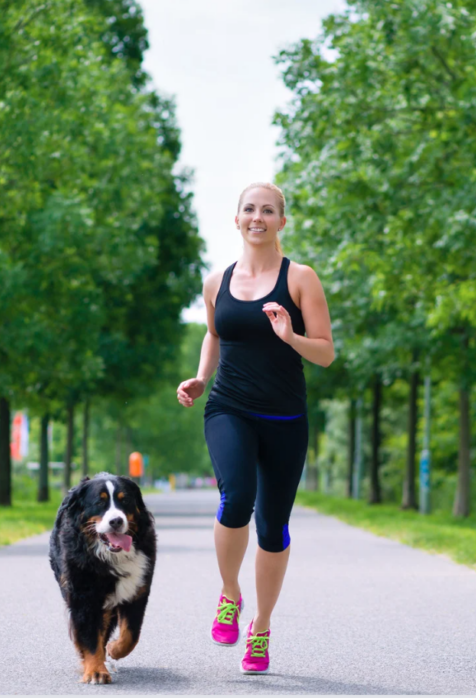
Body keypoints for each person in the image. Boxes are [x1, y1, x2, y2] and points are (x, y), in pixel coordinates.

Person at [176, 182, 334, 674]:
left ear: (282, 222)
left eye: (268, 210)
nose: (258, 217)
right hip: (230, 407)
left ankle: (260, 627)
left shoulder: (301, 278)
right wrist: (202, 377)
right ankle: (229, 594)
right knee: (235, 498)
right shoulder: (215, 281)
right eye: (250, 209)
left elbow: (326, 351)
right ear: (237, 218)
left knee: (272, 527)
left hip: (285, 417)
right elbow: (214, 333)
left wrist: (291, 336)